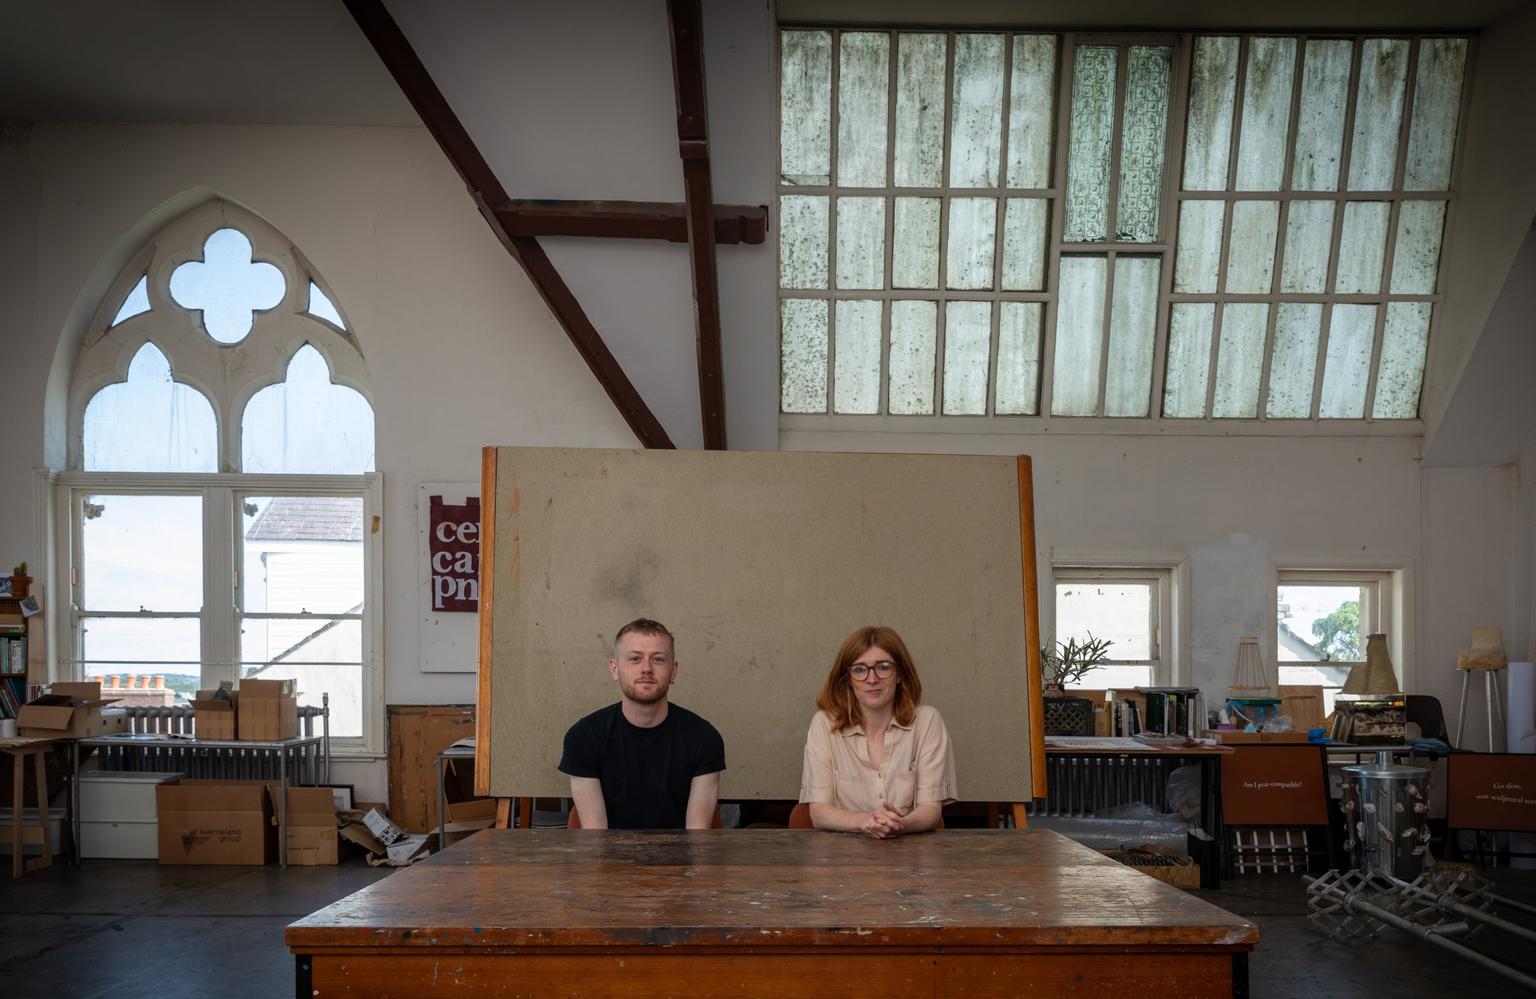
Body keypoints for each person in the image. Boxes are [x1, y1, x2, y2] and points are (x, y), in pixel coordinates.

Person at [558, 618, 725, 829]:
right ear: (614, 668)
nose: (646, 669)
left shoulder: (704, 738)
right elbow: (594, 838)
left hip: (681, 860)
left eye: (658, 659)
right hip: (608, 860)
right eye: (635, 659)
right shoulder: (583, 737)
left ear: (673, 670)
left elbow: (697, 837)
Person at [799, 625, 957, 837]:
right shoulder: (823, 724)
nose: (872, 679)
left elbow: (930, 809)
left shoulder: (927, 721)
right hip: (841, 858)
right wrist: (865, 822)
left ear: (900, 673)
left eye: (883, 667)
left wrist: (897, 826)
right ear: (847, 679)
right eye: (859, 669)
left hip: (909, 855)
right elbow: (819, 813)